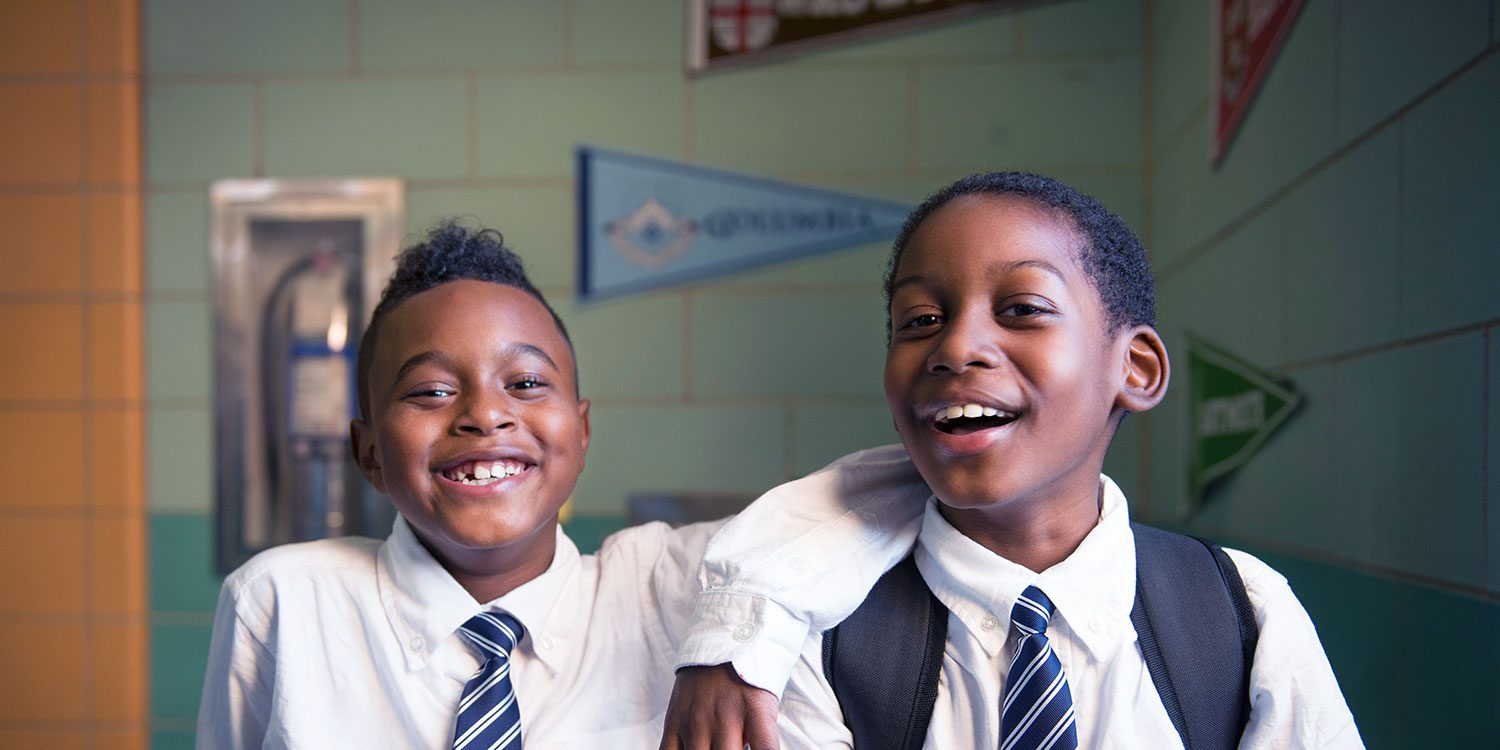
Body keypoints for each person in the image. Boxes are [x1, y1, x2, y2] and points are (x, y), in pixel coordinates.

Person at [661, 172, 1363, 749]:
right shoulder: (814, 640)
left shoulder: (1241, 615)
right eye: (919, 320)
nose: (956, 347)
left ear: (1136, 369)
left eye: (1022, 308)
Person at [197, 221, 716, 748]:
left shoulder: (675, 589)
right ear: (369, 453)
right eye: (432, 391)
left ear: (581, 434)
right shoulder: (283, 604)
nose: (486, 415)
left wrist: (742, 645)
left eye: (526, 383)